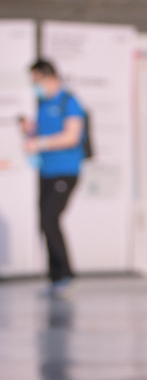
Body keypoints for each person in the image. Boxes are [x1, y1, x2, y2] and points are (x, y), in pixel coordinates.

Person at [20, 58, 87, 294]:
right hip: (46, 171)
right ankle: (55, 277)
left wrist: (41, 142)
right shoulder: (42, 103)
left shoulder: (69, 101)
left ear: (48, 77)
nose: (34, 85)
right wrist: (30, 130)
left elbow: (72, 136)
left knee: (50, 219)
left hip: (66, 171)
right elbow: (41, 132)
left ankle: (66, 274)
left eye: (36, 80)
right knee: (44, 222)